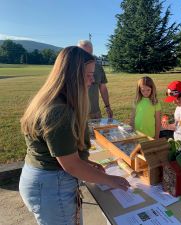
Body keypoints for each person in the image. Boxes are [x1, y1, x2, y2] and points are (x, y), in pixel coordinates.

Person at [19, 46, 130, 225]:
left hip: (45, 181)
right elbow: (71, 165)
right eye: (88, 75)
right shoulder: (59, 111)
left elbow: (65, 155)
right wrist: (111, 180)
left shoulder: (56, 101)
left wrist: (85, 162)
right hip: (51, 185)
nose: (92, 80)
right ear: (72, 75)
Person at [77, 40, 113, 119]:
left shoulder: (98, 68)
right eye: (83, 53)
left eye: (89, 54)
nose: (86, 57)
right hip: (76, 114)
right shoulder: (71, 69)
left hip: (95, 113)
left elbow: (103, 88)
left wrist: (107, 106)